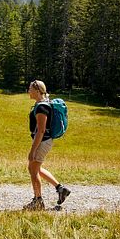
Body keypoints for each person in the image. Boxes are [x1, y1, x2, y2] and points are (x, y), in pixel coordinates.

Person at [23, 80, 70, 210]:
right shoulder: (43, 104)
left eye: (30, 89)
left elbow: (41, 130)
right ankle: (61, 189)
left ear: (37, 91)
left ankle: (38, 201)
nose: (28, 91)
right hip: (44, 141)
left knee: (33, 170)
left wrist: (33, 150)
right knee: (35, 168)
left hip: (42, 141)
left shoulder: (42, 107)